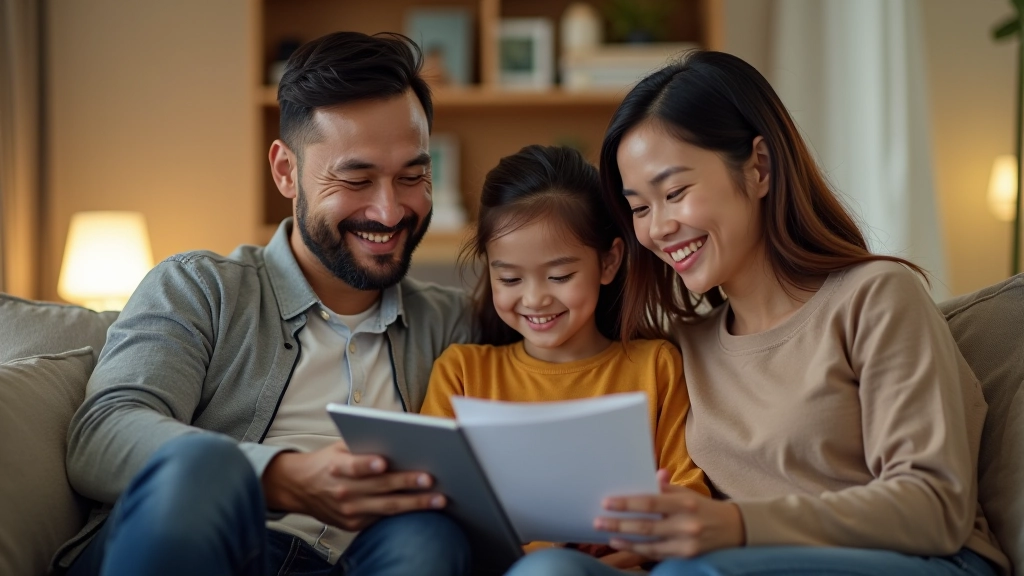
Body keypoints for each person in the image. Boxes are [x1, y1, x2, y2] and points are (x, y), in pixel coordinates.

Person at [505, 51, 1011, 576]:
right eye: (638, 207)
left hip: (924, 561)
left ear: (759, 167)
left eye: (674, 192)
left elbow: (935, 506)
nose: (657, 228)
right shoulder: (682, 346)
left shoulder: (875, 297)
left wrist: (734, 526)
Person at [59, 32, 476, 576]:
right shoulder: (200, 288)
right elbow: (104, 431)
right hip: (220, 548)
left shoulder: (456, 323)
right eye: (356, 178)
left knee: (429, 537)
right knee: (201, 464)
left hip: (366, 562)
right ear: (286, 171)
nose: (390, 210)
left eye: (413, 176)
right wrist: (281, 475)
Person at [419, 145, 708, 569]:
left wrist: (622, 547)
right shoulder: (462, 371)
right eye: (510, 278)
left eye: (560, 276)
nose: (535, 298)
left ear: (608, 262)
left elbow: (688, 499)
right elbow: (434, 504)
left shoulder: (656, 366)